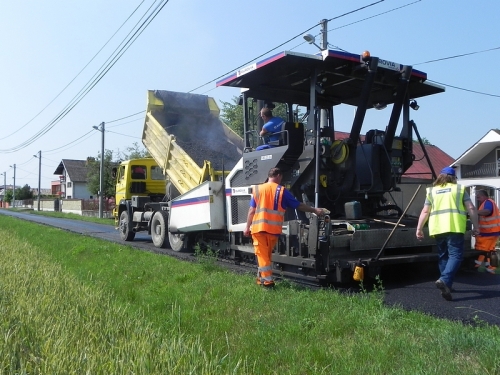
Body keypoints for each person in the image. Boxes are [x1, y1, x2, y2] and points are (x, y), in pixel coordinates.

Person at [243, 167, 325, 287]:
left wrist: (247, 227)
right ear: (279, 176)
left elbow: (251, 210)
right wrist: (314, 210)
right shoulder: (282, 191)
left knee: (262, 256)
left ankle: (267, 282)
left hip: (258, 229)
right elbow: (298, 205)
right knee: (265, 256)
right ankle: (262, 280)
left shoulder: (257, 189)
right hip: (273, 231)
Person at [416, 166, 480, 301]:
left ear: (440, 176)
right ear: (454, 178)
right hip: (454, 226)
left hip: (438, 228)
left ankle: (447, 285)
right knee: (455, 255)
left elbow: (425, 211)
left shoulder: (432, 191)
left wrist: (419, 228)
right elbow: (471, 207)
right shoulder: (459, 189)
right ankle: (444, 279)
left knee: (443, 256)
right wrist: (476, 226)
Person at [474, 189, 500, 273]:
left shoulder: (488, 202)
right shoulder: (486, 203)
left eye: (479, 197)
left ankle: (484, 266)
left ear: (484, 196)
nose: (478, 199)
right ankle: (487, 266)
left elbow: (487, 211)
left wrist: (473, 212)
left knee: (486, 249)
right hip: (489, 231)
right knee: (487, 250)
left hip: (489, 232)